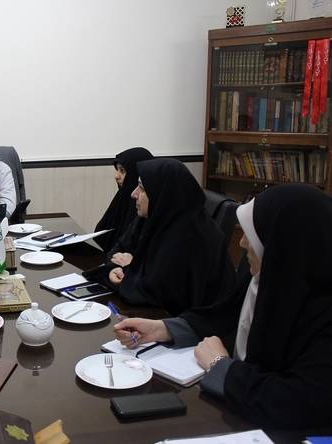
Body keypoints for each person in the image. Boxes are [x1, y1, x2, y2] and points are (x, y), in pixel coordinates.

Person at [114, 184, 332, 428]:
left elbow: (299, 403)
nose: (242, 243)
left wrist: (220, 365)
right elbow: (222, 316)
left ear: (285, 245)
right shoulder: (266, 276)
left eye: (252, 234)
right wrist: (161, 329)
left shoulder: (322, 314)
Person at [107, 158, 236, 317]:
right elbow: (116, 251)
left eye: (142, 188)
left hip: (189, 323)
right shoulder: (151, 217)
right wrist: (113, 270)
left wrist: (131, 267)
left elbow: (159, 294)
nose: (134, 194)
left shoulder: (190, 235)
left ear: (162, 193)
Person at [94, 147, 153, 252]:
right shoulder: (121, 197)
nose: (116, 176)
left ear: (135, 172)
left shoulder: (144, 207)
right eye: (117, 170)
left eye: (122, 171)